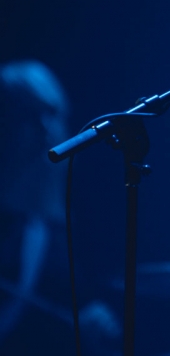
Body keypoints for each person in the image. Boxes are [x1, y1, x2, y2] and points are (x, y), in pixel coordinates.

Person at [0, 60, 121, 355]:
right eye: (28, 114)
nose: (43, 128)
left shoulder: (62, 224)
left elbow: (74, 303)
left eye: (51, 113)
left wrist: (92, 316)